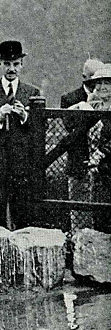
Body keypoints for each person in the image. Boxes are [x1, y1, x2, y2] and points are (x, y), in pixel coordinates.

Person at [0, 41, 42, 230]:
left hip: (22, 163)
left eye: (15, 64)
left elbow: (39, 129)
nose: (11, 69)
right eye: (7, 64)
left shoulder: (32, 92)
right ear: (0, 64)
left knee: (23, 213)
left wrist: (24, 116)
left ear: (22, 64)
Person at [67, 63, 111, 232]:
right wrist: (83, 105)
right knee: (98, 218)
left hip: (107, 167)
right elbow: (68, 121)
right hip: (98, 175)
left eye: (106, 82)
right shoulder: (95, 106)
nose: (101, 87)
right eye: (98, 83)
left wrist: (101, 153)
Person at [61, 58, 103, 224]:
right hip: (79, 164)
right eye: (94, 79)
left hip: (103, 167)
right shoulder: (70, 98)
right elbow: (68, 127)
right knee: (78, 214)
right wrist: (86, 107)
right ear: (84, 77)